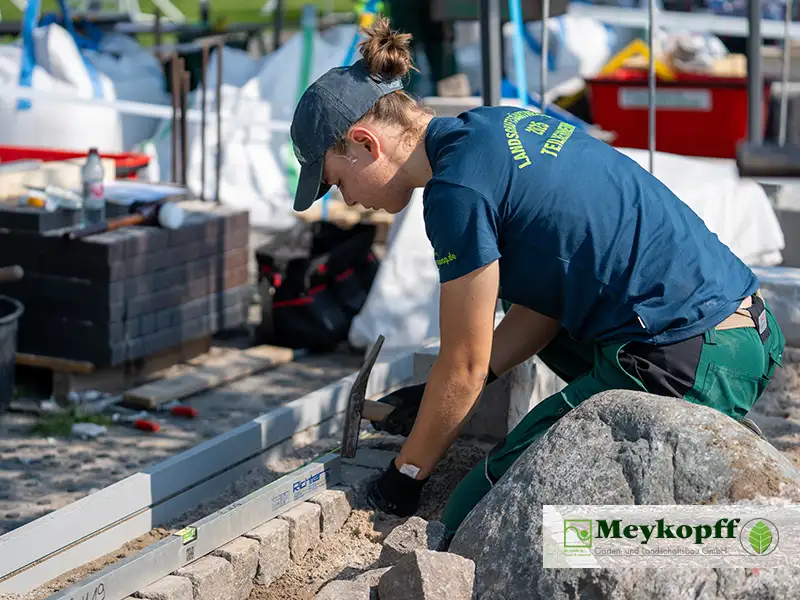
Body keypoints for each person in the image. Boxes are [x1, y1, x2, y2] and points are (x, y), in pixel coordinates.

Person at [287, 17, 785, 537]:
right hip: (741, 332)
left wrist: (404, 476)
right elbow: (544, 307)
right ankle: (694, 444)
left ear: (365, 143)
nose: (347, 200)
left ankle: (690, 486)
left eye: (337, 181)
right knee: (525, 326)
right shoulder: (490, 127)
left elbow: (464, 363)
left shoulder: (456, 194)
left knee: (480, 514)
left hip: (690, 351)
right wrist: (432, 398)